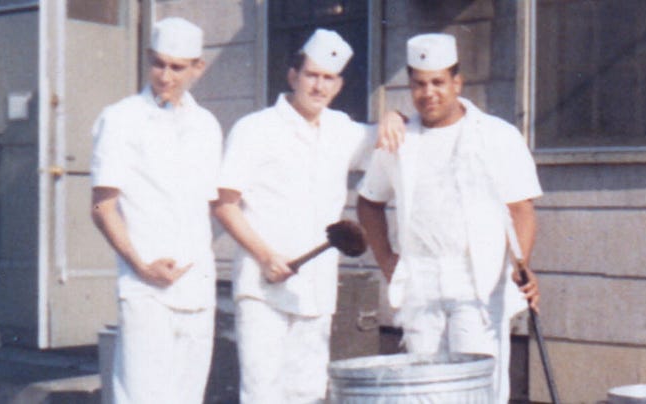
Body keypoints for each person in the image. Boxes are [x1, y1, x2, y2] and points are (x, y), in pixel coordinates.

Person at [211, 29, 405, 403]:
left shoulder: (341, 130)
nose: (318, 86)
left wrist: (394, 114)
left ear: (338, 85)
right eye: (311, 75)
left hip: (315, 293)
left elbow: (387, 138)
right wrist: (266, 256)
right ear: (293, 76)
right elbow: (224, 204)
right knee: (263, 394)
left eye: (328, 78)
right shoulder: (255, 129)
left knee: (308, 393)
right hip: (263, 287)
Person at [356, 33, 542, 404]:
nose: (429, 93)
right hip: (420, 282)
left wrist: (520, 265)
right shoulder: (399, 138)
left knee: (480, 389)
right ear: (410, 86)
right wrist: (387, 260)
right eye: (420, 84)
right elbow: (368, 203)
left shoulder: (496, 135)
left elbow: (521, 210)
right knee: (425, 390)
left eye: (439, 82)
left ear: (457, 82)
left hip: (478, 281)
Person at [89, 17, 221, 404]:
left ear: (198, 67)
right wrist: (141, 264)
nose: (166, 76)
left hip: (197, 287)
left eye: (177, 67)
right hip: (145, 289)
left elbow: (211, 206)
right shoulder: (120, 119)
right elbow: (102, 207)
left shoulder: (207, 126)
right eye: (158, 64)